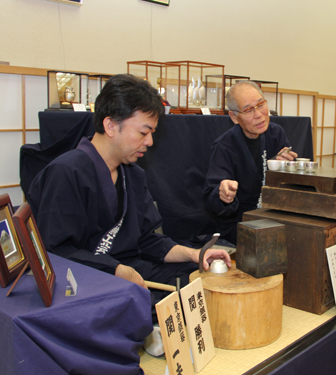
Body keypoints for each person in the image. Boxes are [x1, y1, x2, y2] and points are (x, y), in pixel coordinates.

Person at [28, 74, 231, 354]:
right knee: (128, 295)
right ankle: (148, 331)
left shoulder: (132, 174)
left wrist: (194, 254)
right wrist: (115, 269)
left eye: (152, 134)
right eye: (143, 132)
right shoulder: (67, 172)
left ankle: (151, 329)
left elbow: (148, 240)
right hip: (84, 278)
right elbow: (55, 251)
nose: (148, 142)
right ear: (111, 125)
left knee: (194, 279)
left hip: (130, 268)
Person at [203, 81, 297, 244]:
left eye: (261, 105)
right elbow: (211, 196)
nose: (259, 114)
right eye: (248, 110)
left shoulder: (276, 133)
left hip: (273, 216)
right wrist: (224, 193)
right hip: (240, 225)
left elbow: (288, 186)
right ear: (234, 117)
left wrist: (287, 167)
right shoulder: (225, 146)